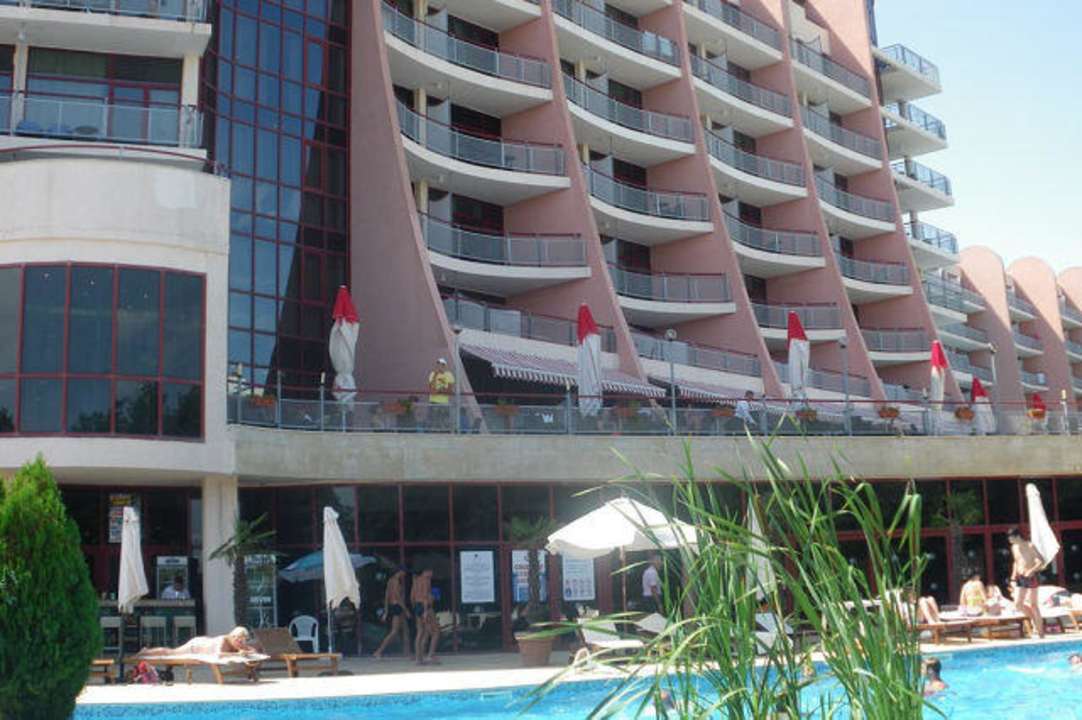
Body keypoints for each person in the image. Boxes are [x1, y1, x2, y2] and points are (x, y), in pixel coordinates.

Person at [1008, 526, 1045, 638]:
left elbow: (1041, 561)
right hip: (1020, 577)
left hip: (1032, 577)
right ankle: (1033, 619)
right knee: (1018, 604)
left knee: (1034, 605)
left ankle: (1041, 633)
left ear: (1017, 536)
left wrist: (1031, 570)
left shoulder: (1030, 546)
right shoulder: (1014, 547)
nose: (1009, 540)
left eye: (1010, 537)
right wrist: (1013, 577)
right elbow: (1016, 562)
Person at [137, 626, 260, 658]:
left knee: (170, 652)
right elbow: (218, 654)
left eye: (242, 640)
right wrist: (237, 654)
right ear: (233, 636)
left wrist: (246, 650)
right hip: (195, 646)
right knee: (170, 652)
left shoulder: (237, 642)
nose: (240, 642)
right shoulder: (224, 640)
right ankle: (145, 652)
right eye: (238, 639)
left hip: (203, 641)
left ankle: (146, 651)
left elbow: (253, 650)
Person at [372, 567, 411, 659]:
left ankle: (407, 652)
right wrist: (405, 609)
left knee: (405, 630)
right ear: (400, 572)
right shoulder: (396, 581)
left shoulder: (390, 581)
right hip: (397, 606)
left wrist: (386, 610)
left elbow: (387, 596)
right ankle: (378, 651)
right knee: (394, 631)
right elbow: (398, 597)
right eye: (403, 572)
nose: (404, 575)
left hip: (393, 606)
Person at [410, 568, 440, 665]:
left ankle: (418, 658)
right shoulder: (426, 580)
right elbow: (425, 596)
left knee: (420, 632)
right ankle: (430, 655)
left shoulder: (415, 581)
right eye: (431, 572)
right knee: (436, 632)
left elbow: (412, 597)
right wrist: (426, 610)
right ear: (426, 572)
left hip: (417, 606)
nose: (432, 574)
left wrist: (416, 608)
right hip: (425, 607)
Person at [427, 358, 455, 430]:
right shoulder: (432, 374)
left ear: (445, 366)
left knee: (444, 425)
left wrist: (439, 391)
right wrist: (435, 375)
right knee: (433, 425)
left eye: (442, 364)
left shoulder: (449, 374)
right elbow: (431, 391)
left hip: (444, 403)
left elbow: (450, 391)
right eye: (438, 364)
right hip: (433, 402)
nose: (439, 366)